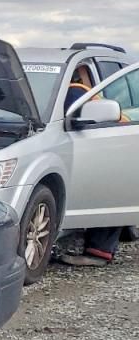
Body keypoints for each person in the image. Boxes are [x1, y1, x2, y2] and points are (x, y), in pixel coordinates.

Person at [58, 65, 124, 267]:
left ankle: (100, 251)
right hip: (111, 140)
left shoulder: (74, 91)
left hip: (114, 141)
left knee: (111, 190)